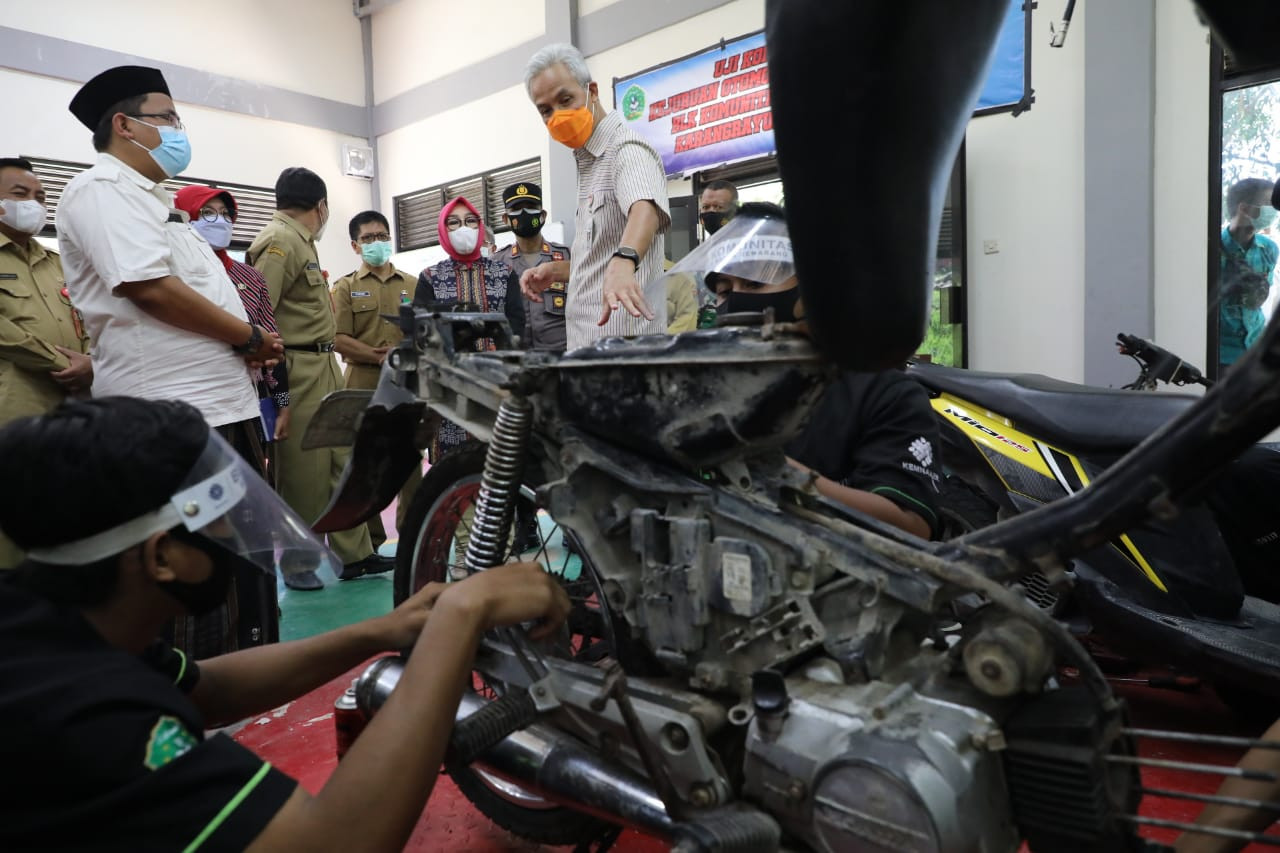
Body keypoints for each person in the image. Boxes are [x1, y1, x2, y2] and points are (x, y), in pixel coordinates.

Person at [0, 396, 570, 852]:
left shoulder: (49, 626)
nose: (236, 542)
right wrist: (460, 616)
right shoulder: (87, 718)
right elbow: (337, 841)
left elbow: (207, 688)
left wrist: (378, 632)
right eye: (221, 526)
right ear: (162, 557)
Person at [57, 66, 286, 650]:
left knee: (242, 567)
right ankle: (201, 707)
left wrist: (246, 346)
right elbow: (149, 287)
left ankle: (249, 692)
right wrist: (245, 337)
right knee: (194, 571)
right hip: (173, 421)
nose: (179, 129)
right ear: (125, 125)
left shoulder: (156, 202)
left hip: (218, 410)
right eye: (168, 117)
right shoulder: (100, 191)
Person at [661, 202, 942, 539]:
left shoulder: (883, 394)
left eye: (754, 284)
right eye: (724, 291)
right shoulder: (705, 393)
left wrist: (782, 474)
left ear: (812, 292)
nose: (734, 302)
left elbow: (911, 525)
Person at [247, 167, 391, 583]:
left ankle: (355, 555)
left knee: (340, 461)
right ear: (321, 205)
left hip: (324, 363)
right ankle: (299, 563)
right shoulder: (279, 241)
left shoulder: (297, 240)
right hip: (297, 365)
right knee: (303, 470)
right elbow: (259, 310)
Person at [522, 43, 670, 349]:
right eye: (546, 110)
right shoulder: (590, 163)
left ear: (592, 91)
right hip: (588, 351)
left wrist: (626, 259)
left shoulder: (625, 150)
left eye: (565, 100)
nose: (557, 116)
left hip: (624, 354)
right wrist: (558, 271)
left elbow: (645, 209)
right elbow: (601, 257)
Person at [0, 156, 92, 569]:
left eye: (40, 196)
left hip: (69, 407)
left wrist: (90, 363)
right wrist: (61, 362)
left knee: (62, 511)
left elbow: (88, 318)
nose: (34, 204)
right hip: (15, 403)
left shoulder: (58, 263)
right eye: (20, 195)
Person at [331, 210, 423, 547]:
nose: (377, 243)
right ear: (356, 246)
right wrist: (376, 355)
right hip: (362, 381)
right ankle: (370, 542)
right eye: (368, 238)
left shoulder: (413, 284)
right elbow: (338, 338)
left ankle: (413, 531)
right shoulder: (345, 288)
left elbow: (425, 332)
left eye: (382, 236)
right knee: (365, 460)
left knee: (409, 456)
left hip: (406, 381)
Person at [414, 195, 524, 459]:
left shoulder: (504, 274)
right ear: (443, 229)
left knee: (502, 463)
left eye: (470, 221)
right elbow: (421, 332)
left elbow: (517, 324)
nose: (463, 227)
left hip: (498, 385)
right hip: (450, 390)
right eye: (453, 222)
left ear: (480, 226)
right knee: (452, 470)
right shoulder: (430, 277)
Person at [496, 181, 572, 352]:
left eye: (531, 207)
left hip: (562, 359)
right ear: (506, 219)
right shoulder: (497, 264)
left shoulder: (567, 257)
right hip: (517, 362)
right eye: (516, 209)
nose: (524, 213)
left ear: (543, 215)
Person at [1219, 177, 1278, 373]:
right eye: (1269, 204)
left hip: (1256, 350)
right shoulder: (1212, 248)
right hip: (1220, 353)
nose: (1274, 211)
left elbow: (1260, 296)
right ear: (1244, 208)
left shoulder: (1269, 249)